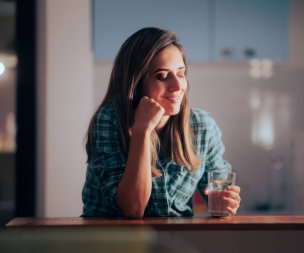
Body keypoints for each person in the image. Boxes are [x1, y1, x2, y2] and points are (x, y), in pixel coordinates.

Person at [82, 27, 241, 218]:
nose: (177, 86)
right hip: (111, 239)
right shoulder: (109, 121)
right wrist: (142, 131)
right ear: (136, 84)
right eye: (163, 76)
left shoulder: (202, 125)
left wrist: (226, 201)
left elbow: (217, 197)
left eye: (181, 74)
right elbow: (133, 209)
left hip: (173, 238)